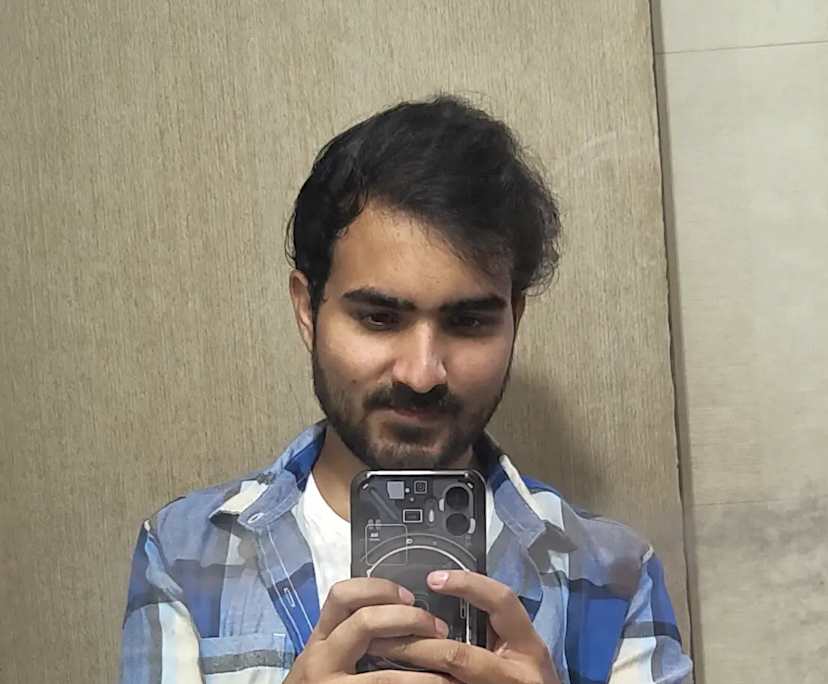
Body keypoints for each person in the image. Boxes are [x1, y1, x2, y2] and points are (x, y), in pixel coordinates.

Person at [119, 94, 693, 683]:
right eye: (379, 318)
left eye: (468, 322)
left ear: (513, 319)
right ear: (307, 310)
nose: (422, 374)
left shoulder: (613, 574)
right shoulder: (186, 554)